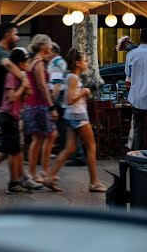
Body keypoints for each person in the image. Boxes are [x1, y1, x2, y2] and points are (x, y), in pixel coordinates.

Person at [45, 49, 106, 194]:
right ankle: (94, 182)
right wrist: (84, 92)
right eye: (84, 60)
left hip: (72, 116)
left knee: (69, 149)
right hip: (79, 116)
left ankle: (50, 176)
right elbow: (70, 99)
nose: (86, 63)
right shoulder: (73, 78)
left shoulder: (71, 77)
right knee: (91, 147)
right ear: (77, 63)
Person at [0, 22, 29, 194]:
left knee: (3, 145)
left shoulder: (3, 52)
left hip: (2, 108)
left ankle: (10, 179)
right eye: (16, 34)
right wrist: (23, 79)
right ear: (8, 35)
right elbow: (8, 65)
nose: (17, 38)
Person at [23, 34, 53, 189]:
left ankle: (36, 172)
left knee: (40, 138)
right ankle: (34, 173)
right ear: (43, 46)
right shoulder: (39, 63)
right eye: (49, 44)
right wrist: (51, 105)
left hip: (32, 104)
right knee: (38, 139)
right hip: (38, 105)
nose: (51, 47)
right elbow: (42, 86)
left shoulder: (32, 62)